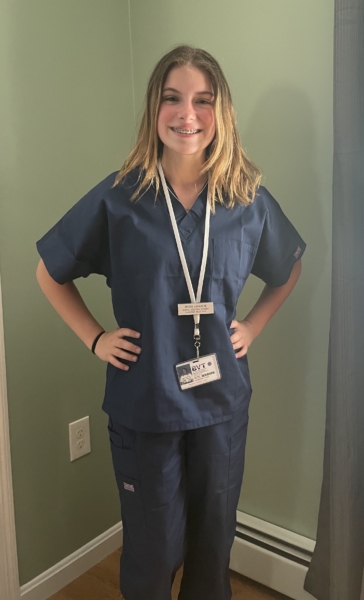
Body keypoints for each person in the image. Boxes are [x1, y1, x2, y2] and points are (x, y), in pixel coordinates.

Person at [36, 45, 305, 600]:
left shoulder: (245, 197)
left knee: (213, 547)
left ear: (221, 111)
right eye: (173, 98)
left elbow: (288, 268)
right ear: (154, 109)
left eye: (203, 101)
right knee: (154, 553)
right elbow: (49, 272)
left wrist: (251, 327)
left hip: (221, 405)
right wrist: (96, 339)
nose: (188, 114)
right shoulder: (121, 196)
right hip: (146, 401)